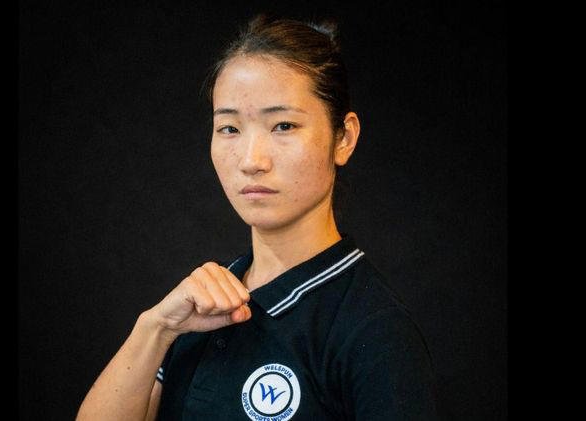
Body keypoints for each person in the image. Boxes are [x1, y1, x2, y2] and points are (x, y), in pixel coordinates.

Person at [76, 15, 439, 421]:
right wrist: (156, 328)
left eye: (283, 125)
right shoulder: (199, 305)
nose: (251, 161)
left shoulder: (373, 330)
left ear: (344, 138)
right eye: (229, 128)